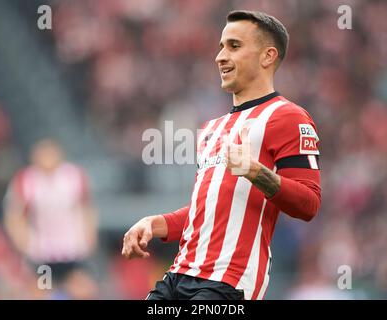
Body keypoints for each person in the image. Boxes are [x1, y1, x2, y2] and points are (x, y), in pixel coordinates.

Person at [122, 10, 321, 300]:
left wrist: (255, 171)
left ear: (267, 56)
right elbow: (205, 215)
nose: (220, 56)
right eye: (220, 47)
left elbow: (309, 203)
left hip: (228, 282)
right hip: (178, 277)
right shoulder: (211, 128)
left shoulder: (289, 117)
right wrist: (154, 223)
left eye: (234, 46)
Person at [3, 138, 98, 299]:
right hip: (43, 251)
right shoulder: (26, 180)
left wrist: (89, 235)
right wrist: (24, 242)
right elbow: (14, 215)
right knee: (41, 291)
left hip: (72, 249)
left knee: (83, 290)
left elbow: (86, 208)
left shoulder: (73, 176)